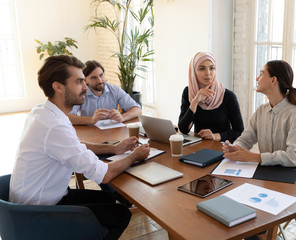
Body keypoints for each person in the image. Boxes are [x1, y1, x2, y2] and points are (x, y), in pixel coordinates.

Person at [9, 55, 151, 240]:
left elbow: (75, 146)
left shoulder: (44, 112)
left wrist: (114, 149)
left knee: (108, 199)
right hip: (38, 213)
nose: (86, 87)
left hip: (33, 201)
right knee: (120, 214)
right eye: (79, 82)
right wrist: (134, 155)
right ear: (58, 87)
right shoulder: (54, 126)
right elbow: (104, 174)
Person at [223, 60, 296, 174]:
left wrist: (254, 157)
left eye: (262, 73)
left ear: (273, 80)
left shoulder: (295, 114)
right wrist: (235, 148)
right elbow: (245, 139)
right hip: (269, 175)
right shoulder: (261, 111)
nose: (257, 78)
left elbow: (294, 157)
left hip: (295, 180)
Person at [178, 52, 244, 142]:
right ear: (194, 72)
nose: (208, 73)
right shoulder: (188, 92)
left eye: (212, 68)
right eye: (202, 69)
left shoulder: (228, 96)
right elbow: (183, 129)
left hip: (222, 147)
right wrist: (195, 101)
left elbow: (239, 131)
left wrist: (215, 136)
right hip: (198, 146)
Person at [68, 60, 142, 125]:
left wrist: (122, 117)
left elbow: (137, 110)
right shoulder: (80, 93)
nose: (100, 80)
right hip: (90, 134)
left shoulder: (115, 90)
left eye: (101, 75)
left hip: (112, 133)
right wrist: (91, 120)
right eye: (94, 78)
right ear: (85, 80)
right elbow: (67, 117)